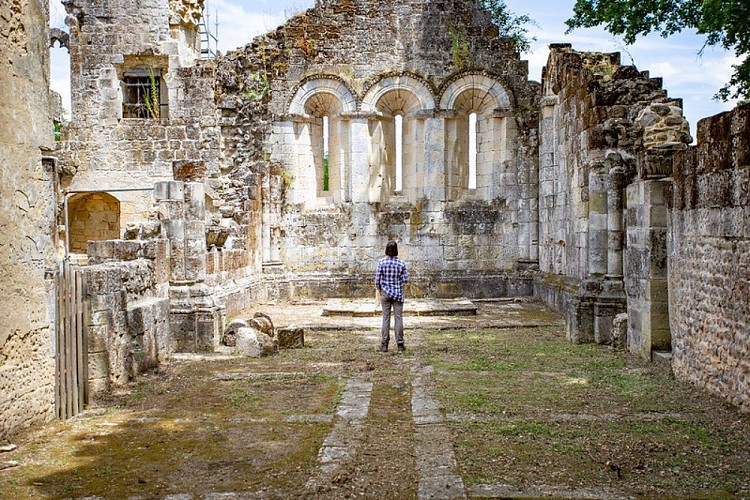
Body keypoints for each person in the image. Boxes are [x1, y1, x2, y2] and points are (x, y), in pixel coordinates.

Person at [375, 240, 409, 352]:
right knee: (398, 318)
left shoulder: (381, 262)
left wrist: (380, 289)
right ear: (396, 251)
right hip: (398, 294)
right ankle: (400, 344)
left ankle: (384, 345)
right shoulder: (401, 263)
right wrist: (397, 279)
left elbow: (377, 280)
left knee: (386, 318)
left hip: (385, 293)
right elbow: (405, 280)